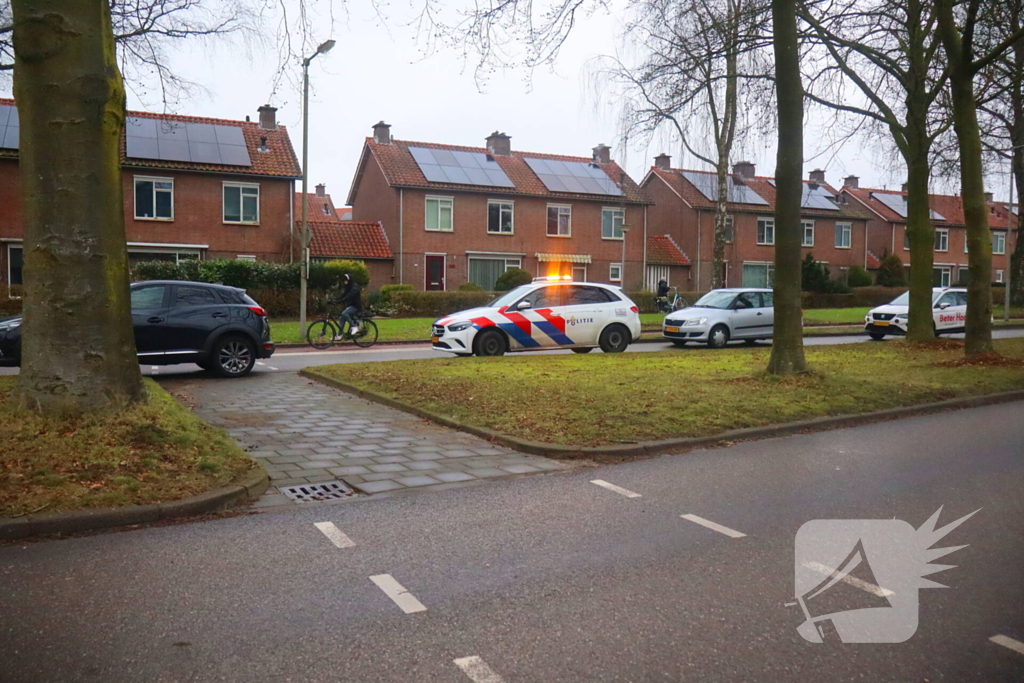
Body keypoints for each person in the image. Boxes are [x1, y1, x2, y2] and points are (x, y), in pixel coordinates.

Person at [334, 274, 363, 339]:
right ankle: (339, 335)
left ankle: (354, 326)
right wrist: (335, 300)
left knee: (344, 313)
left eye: (346, 281)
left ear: (349, 280)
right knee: (342, 318)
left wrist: (341, 301)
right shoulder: (348, 287)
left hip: (355, 306)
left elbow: (349, 296)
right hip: (350, 306)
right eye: (344, 281)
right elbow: (344, 295)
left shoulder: (354, 288)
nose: (345, 282)